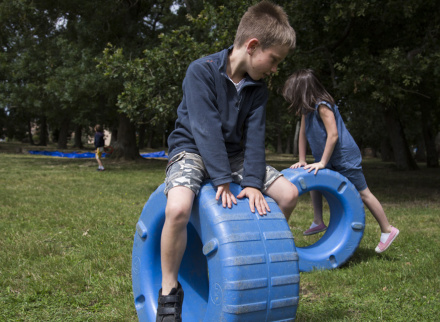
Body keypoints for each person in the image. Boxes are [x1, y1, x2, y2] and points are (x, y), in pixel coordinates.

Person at [157, 2, 298, 321]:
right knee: (177, 208)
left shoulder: (257, 90)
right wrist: (221, 180)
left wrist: (251, 183)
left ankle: (255, 256)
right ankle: (168, 291)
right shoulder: (201, 71)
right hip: (191, 147)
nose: (275, 69)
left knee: (289, 194)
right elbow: (205, 129)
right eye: (274, 60)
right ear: (252, 46)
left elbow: (255, 138)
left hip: (235, 155)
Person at [282, 69, 399, 254]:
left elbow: (333, 135)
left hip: (344, 156)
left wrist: (322, 162)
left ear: (303, 91)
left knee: (363, 193)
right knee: (314, 180)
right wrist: (302, 160)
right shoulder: (306, 109)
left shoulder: (323, 105)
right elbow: (303, 134)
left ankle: (387, 229)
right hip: (326, 157)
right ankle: (318, 221)